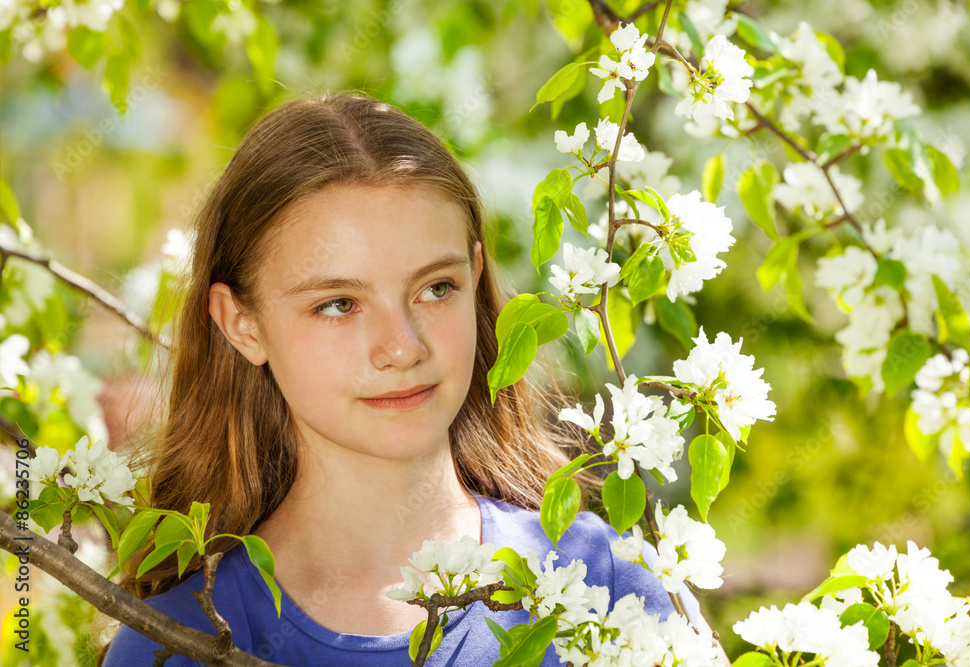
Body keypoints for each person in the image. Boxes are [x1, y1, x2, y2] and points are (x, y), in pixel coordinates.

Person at [98, 93, 719, 666]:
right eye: (338, 303)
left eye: (434, 289)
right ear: (242, 324)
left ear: (475, 278)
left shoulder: (607, 582)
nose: (402, 347)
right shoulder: (175, 641)